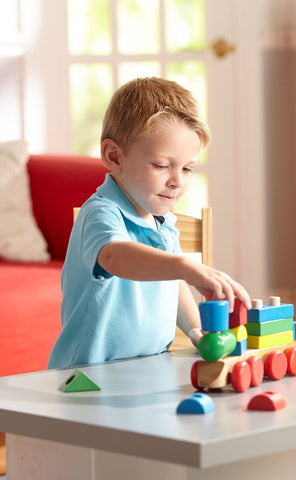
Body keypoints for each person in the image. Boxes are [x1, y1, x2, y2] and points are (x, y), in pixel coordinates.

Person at [48, 77, 251, 369]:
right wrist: (187, 266)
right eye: (160, 165)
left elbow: (171, 281)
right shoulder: (101, 213)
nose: (177, 181)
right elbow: (116, 256)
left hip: (147, 366)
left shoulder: (164, 223)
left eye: (187, 168)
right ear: (114, 156)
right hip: (87, 374)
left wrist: (197, 331)